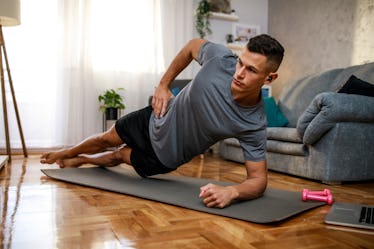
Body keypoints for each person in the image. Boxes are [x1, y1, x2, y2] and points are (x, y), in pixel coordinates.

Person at [41, 34, 284, 208]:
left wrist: (232, 191)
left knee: (118, 156)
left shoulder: (253, 123)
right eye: (241, 62)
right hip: (156, 117)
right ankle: (66, 153)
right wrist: (163, 84)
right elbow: (192, 46)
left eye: (251, 70)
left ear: (269, 78)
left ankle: (82, 161)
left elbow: (258, 179)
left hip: (165, 157)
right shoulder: (221, 59)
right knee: (107, 138)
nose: (239, 73)